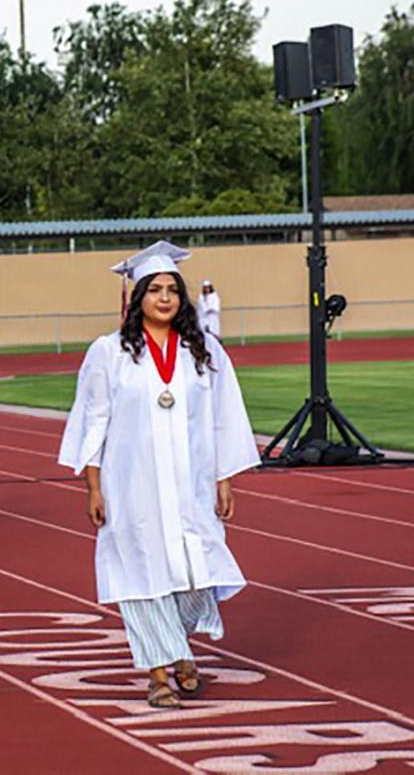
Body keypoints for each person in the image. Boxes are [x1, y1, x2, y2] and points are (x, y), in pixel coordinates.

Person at [58, 240, 260, 709]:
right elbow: (94, 420)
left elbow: (224, 416)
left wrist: (224, 478)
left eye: (172, 289)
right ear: (138, 298)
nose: (165, 298)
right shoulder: (110, 353)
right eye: (154, 290)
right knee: (141, 575)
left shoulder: (205, 352)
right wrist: (92, 486)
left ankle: (180, 648)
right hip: (133, 487)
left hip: (191, 484)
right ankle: (158, 673)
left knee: (195, 574)